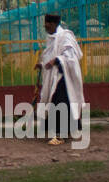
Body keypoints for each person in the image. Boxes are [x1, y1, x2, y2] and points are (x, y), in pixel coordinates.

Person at [35, 13, 84, 145]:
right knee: (56, 104)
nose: (45, 27)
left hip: (64, 78)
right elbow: (50, 55)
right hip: (55, 77)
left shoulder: (65, 36)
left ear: (53, 24)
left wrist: (56, 60)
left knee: (60, 104)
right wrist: (42, 64)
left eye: (47, 24)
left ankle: (60, 136)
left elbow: (71, 56)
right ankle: (63, 132)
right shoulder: (52, 38)